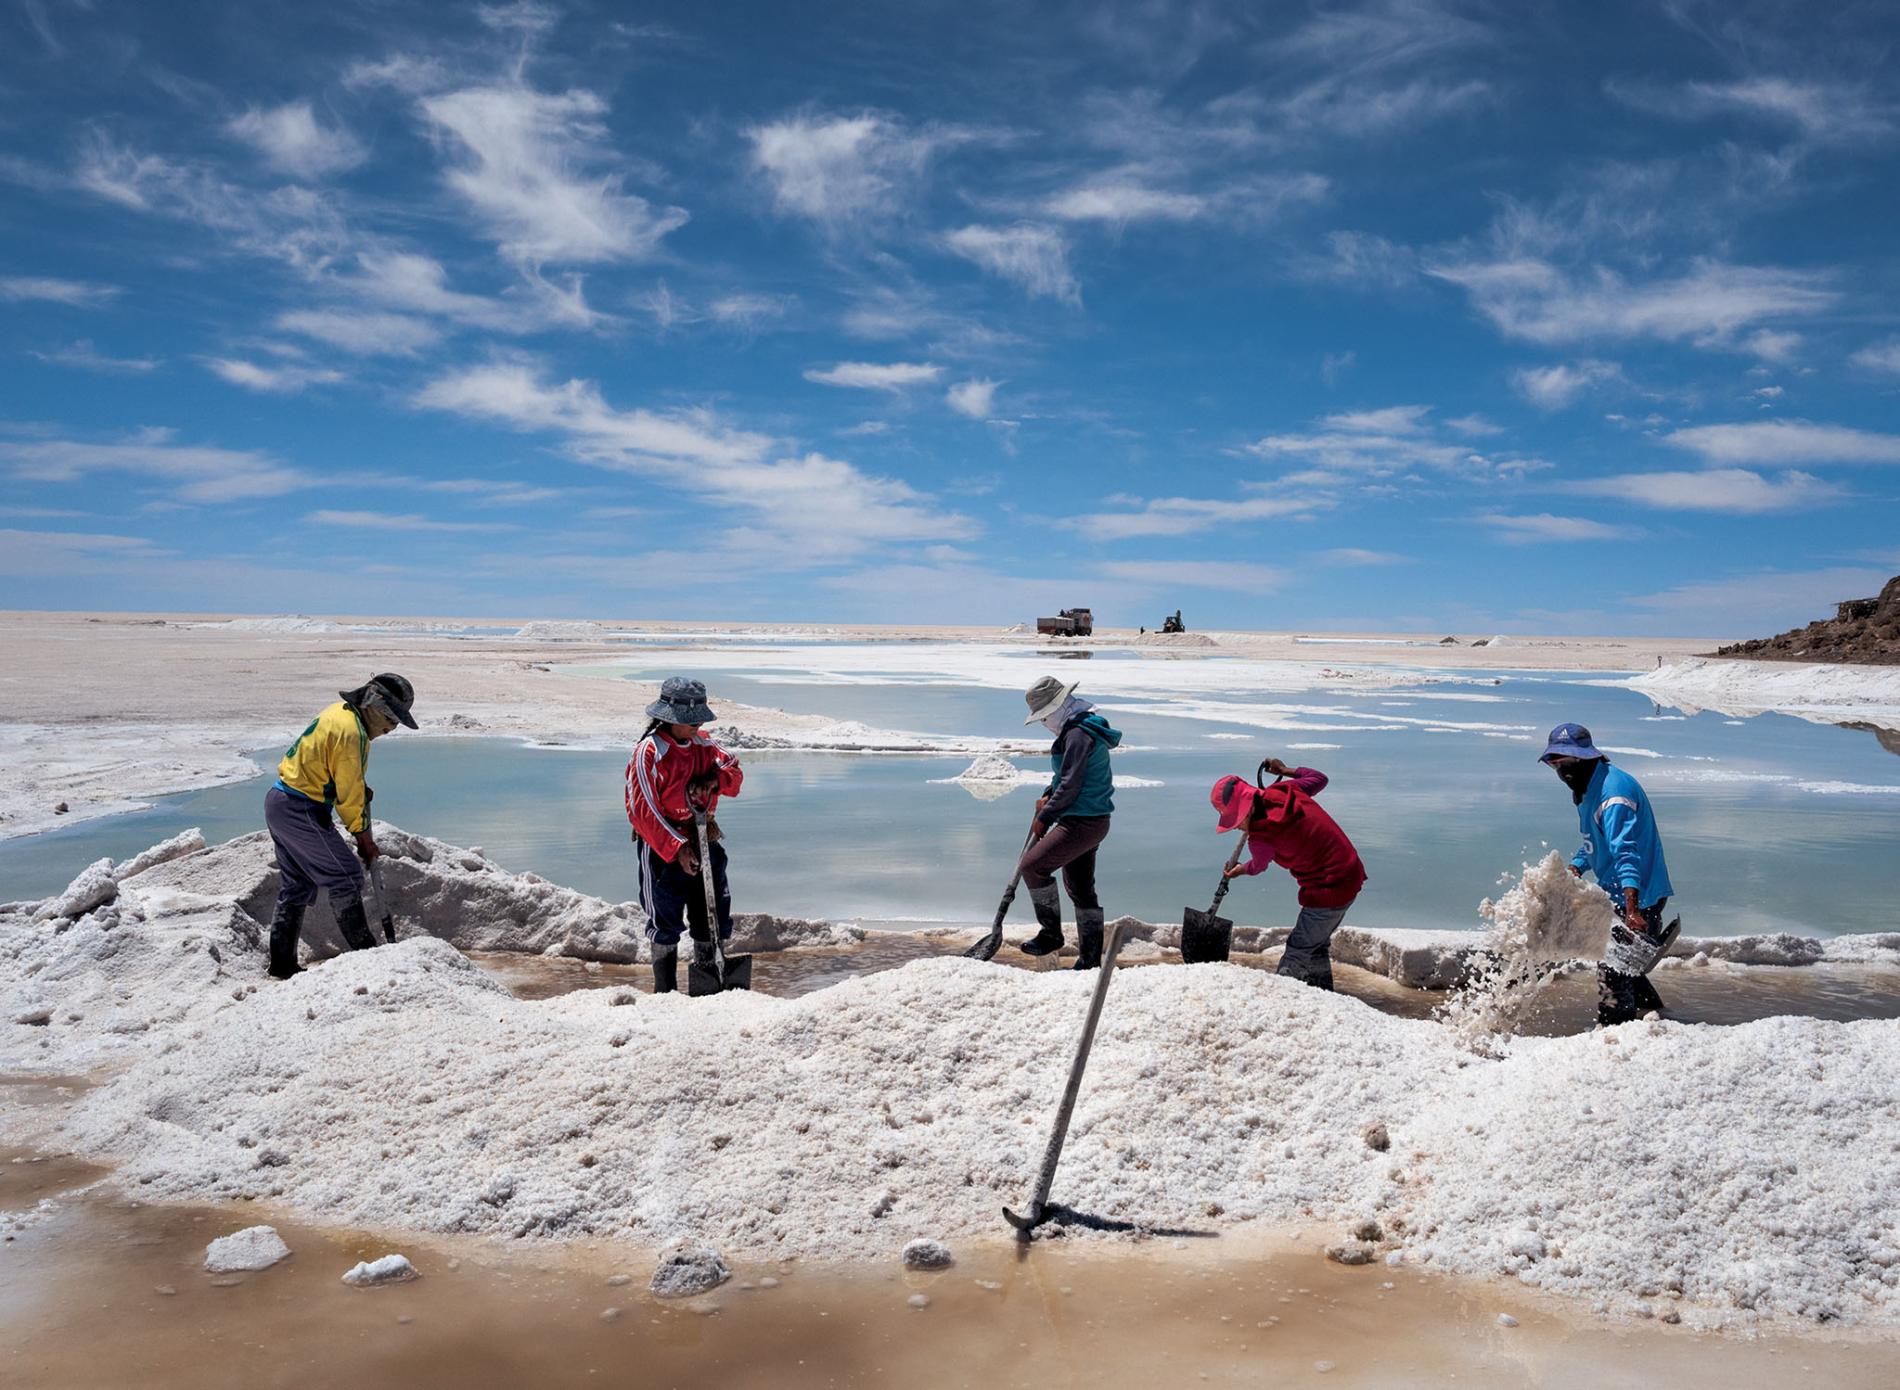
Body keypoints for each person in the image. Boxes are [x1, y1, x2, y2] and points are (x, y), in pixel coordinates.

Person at [264, 673, 417, 979]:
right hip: (301, 808)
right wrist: (363, 838)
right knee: (345, 875)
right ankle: (368, 959)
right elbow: (348, 796)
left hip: (280, 800)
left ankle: (282, 965)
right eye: (390, 718)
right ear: (373, 705)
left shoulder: (340, 713)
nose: (390, 728)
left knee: (298, 885)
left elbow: (335, 770)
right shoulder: (354, 734)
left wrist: (358, 786)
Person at [1539, 722, 1675, 1025]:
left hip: (1639, 896)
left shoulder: (1614, 794)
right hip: (1619, 893)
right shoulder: (1590, 788)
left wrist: (1632, 910)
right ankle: (1659, 1017)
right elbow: (1595, 840)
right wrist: (1576, 866)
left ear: (1587, 757)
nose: (1562, 771)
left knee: (1612, 971)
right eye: (1555, 764)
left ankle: (1613, 1034)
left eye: (1568, 762)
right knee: (1629, 965)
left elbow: (1626, 851)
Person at [625, 677, 744, 994]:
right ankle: (664, 991)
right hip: (663, 850)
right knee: (664, 921)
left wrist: (714, 781)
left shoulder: (705, 745)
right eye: (689, 720)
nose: (697, 724)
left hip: (707, 838)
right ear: (668, 717)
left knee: (712, 913)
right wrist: (677, 850)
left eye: (699, 718)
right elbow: (642, 810)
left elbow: (734, 774)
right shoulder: (649, 752)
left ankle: (710, 985)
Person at [1210, 758, 1366, 990]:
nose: (1238, 827)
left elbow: (1259, 866)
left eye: (1237, 821)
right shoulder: (1284, 789)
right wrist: (1285, 771)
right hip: (1350, 871)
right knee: (1316, 944)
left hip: (1328, 888)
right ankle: (1323, 993)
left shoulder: (1261, 838)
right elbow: (1319, 778)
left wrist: (1242, 870)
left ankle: (1283, 995)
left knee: (1298, 949)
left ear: (1246, 810)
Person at [1015, 676, 1122, 969]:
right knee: (1079, 886)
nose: (1045, 722)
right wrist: (1049, 793)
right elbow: (1064, 778)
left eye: (1045, 716)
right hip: (1092, 818)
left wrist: (1045, 817)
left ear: (1059, 707)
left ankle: (1051, 934)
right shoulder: (1078, 729)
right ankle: (1089, 960)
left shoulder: (1077, 734)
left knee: (1032, 866)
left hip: (1082, 821)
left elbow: (1072, 784)